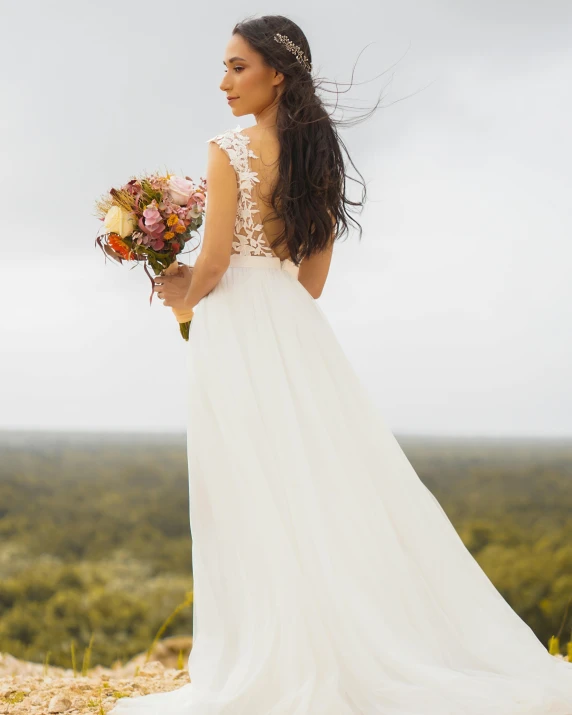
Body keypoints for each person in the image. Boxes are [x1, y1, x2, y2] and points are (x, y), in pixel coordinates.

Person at [109, 14, 572, 715]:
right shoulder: (319, 156)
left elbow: (209, 265)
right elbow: (313, 282)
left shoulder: (226, 149)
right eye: (225, 66)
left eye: (238, 66)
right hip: (296, 330)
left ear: (278, 75)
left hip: (238, 329)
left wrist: (179, 289)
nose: (224, 81)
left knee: (246, 488)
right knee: (317, 485)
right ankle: (341, 641)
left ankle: (267, 655)